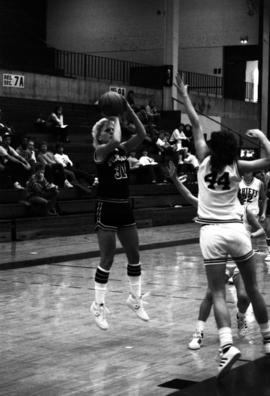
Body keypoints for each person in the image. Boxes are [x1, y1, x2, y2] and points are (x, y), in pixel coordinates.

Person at [174, 73, 270, 378]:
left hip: (211, 233)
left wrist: (185, 96)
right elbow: (267, 162)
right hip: (237, 230)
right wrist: (264, 139)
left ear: (214, 148)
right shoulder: (237, 166)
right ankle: (268, 339)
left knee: (217, 292)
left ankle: (227, 344)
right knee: (253, 289)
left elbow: (195, 123)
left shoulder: (203, 158)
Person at [167, 161, 265, 349]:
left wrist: (250, 235)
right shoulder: (209, 206)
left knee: (244, 296)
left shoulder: (244, 211)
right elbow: (188, 196)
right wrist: (174, 180)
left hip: (238, 262)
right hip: (220, 260)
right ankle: (198, 332)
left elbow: (261, 230)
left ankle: (241, 317)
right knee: (210, 296)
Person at [90, 96, 149, 330]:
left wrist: (128, 110)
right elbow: (115, 139)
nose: (113, 129)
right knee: (108, 258)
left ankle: (135, 299)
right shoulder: (101, 151)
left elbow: (142, 134)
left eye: (112, 127)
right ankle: (98, 306)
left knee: (134, 255)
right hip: (106, 207)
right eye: (108, 129)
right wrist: (115, 114)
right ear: (99, 135)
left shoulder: (123, 149)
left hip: (124, 206)